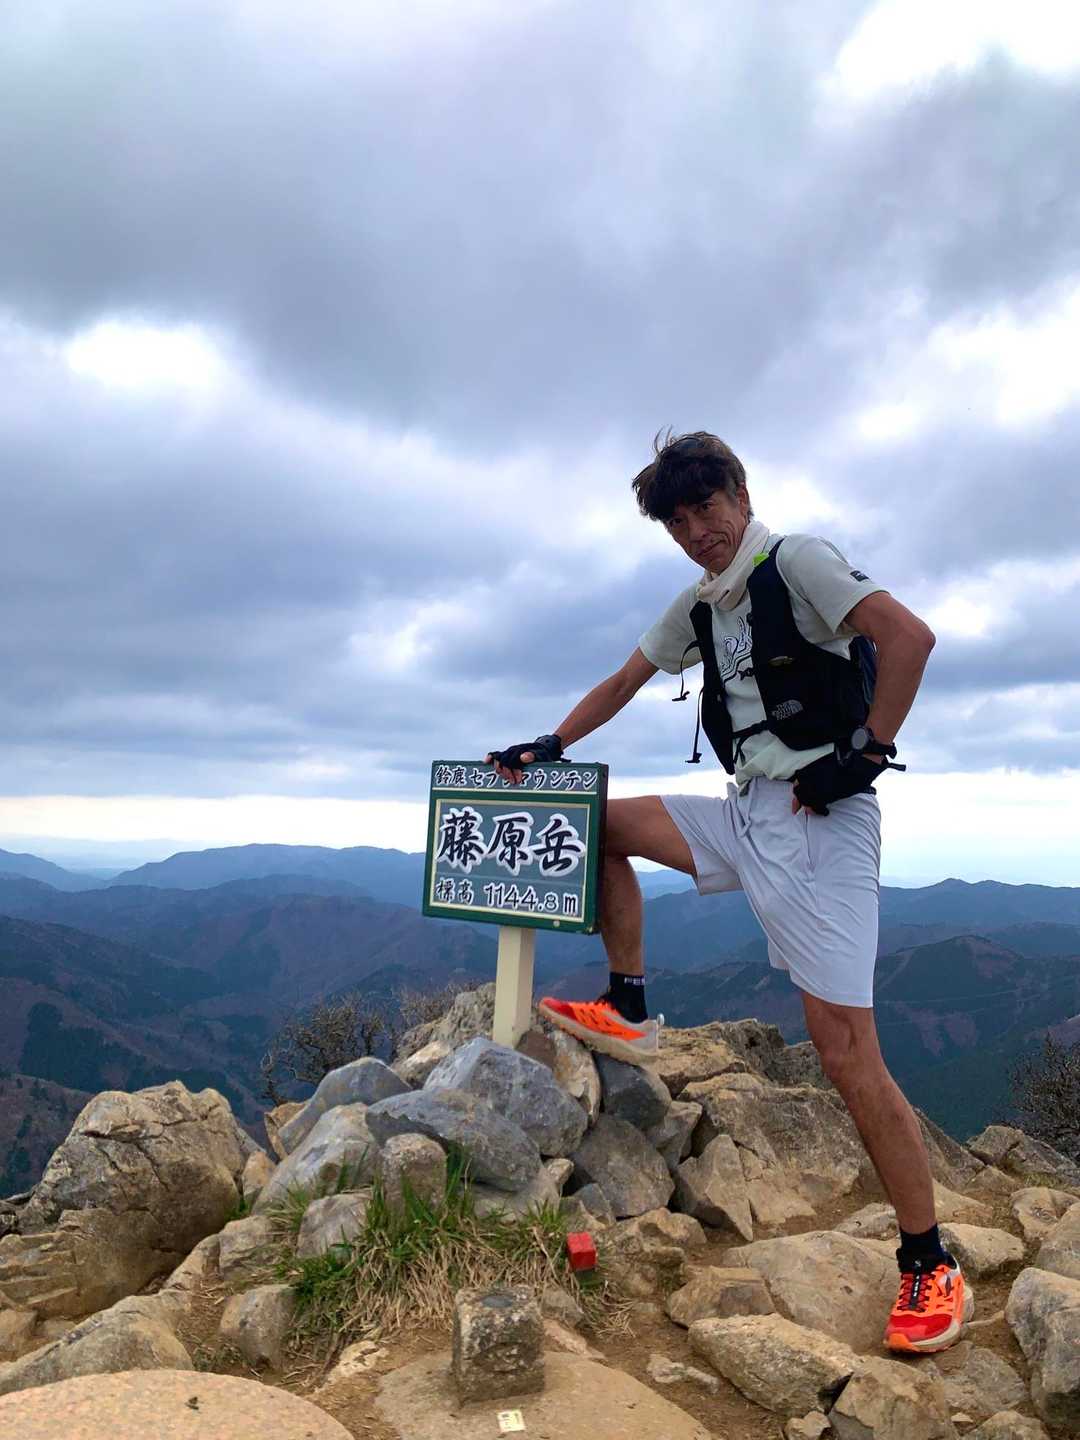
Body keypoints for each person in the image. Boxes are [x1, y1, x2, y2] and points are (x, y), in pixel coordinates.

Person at [486, 430, 971, 1355]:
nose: (695, 530)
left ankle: (928, 1260)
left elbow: (910, 638)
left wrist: (865, 755)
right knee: (599, 823)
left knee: (846, 1054)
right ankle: (629, 1005)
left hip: (821, 822)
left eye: (705, 507)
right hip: (748, 809)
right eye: (676, 520)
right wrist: (552, 745)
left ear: (741, 496)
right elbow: (626, 678)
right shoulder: (703, 602)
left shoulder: (799, 562)